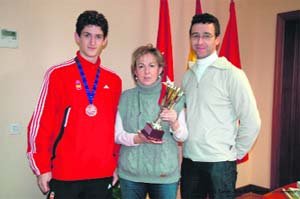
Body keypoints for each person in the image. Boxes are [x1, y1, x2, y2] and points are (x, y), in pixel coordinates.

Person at [27, 10, 122, 199]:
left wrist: (116, 164)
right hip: (65, 173)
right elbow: (40, 124)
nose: (93, 42)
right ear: (77, 37)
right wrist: (42, 168)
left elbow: (115, 128)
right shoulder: (57, 74)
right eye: (87, 35)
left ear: (105, 41)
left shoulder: (114, 80)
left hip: (102, 174)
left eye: (98, 37)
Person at [180, 13, 261, 199]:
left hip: (220, 163)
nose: (200, 41)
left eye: (207, 36)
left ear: (217, 40)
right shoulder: (187, 77)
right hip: (191, 160)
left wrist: (234, 153)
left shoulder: (233, 74)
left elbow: (252, 120)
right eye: (195, 35)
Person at [115, 44, 188, 199]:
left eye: (152, 65)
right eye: (141, 66)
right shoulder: (125, 97)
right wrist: (137, 139)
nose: (147, 71)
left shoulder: (173, 96)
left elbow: (182, 137)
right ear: (135, 71)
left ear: (160, 69)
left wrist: (174, 122)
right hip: (131, 175)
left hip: (164, 176)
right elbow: (117, 135)